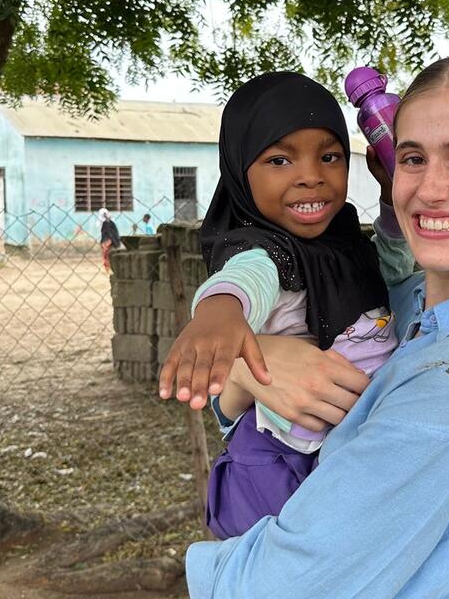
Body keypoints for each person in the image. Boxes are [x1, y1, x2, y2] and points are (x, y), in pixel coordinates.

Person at [178, 53, 449, 598]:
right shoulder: (423, 307)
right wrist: (250, 370)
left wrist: (214, 566)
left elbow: (277, 587)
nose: (430, 189)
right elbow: (384, 265)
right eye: (413, 158)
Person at [159, 71, 413, 540]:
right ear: (240, 170)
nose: (311, 176)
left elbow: (392, 269)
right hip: (278, 464)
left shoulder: (345, 244)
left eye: (330, 156)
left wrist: (392, 199)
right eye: (279, 159)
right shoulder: (262, 251)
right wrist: (219, 312)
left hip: (345, 453)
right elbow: (244, 281)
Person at [98, 208, 121, 273]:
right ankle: (108, 268)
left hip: (108, 241)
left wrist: (109, 241)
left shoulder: (109, 223)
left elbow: (110, 233)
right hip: (109, 241)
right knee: (106, 256)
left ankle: (108, 268)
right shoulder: (109, 223)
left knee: (107, 256)